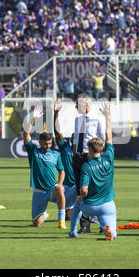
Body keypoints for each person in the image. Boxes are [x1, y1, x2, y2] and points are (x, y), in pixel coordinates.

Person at [69, 102, 117, 241]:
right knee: (112, 228)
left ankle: (73, 231)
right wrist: (108, 116)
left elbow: (84, 190)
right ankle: (109, 230)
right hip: (107, 205)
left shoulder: (87, 167)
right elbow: (108, 137)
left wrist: (82, 197)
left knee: (78, 199)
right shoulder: (109, 158)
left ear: (89, 149)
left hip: (90, 206)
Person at [23, 105, 67, 229]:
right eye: (45, 143)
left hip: (52, 189)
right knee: (37, 224)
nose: (48, 146)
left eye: (49, 143)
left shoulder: (55, 154)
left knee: (60, 189)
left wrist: (60, 183)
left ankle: (61, 221)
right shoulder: (33, 151)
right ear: (40, 142)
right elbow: (26, 134)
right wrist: (33, 119)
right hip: (38, 191)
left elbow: (62, 171)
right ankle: (44, 215)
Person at [72, 93, 106, 233]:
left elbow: (103, 140)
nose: (75, 106)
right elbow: (75, 140)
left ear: (86, 105)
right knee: (80, 191)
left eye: (78, 104)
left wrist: (98, 159)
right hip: (78, 158)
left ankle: (103, 223)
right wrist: (74, 155)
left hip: (90, 158)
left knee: (95, 190)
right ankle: (84, 225)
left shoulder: (98, 119)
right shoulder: (77, 119)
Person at [54, 98, 78, 220]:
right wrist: (56, 114)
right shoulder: (65, 148)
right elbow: (57, 133)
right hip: (68, 187)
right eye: (74, 137)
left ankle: (92, 214)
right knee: (69, 218)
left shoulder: (84, 152)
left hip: (79, 186)